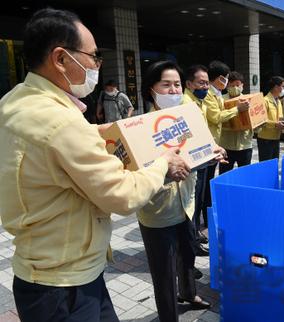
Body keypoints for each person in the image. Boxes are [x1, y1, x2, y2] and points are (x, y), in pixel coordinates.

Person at [0, 9, 190, 321]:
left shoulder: (16, 101)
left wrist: (93, 131)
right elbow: (121, 196)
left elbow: (46, 144)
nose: (96, 65)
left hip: (43, 269)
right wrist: (162, 163)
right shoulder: (61, 122)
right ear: (61, 59)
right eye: (93, 55)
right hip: (64, 285)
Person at [139, 61, 212, 321]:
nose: (173, 91)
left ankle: (189, 293)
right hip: (158, 211)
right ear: (151, 90)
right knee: (164, 272)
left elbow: (200, 150)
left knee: (188, 255)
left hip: (186, 203)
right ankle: (169, 316)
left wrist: (214, 152)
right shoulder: (138, 127)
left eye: (177, 85)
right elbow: (136, 175)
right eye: (166, 85)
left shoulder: (187, 118)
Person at [200, 61, 249, 237]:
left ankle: (209, 218)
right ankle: (206, 223)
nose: (228, 82)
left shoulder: (218, 94)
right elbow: (216, 117)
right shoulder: (208, 95)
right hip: (208, 147)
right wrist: (237, 109)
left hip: (215, 146)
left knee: (208, 183)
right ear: (217, 78)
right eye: (226, 78)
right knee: (205, 185)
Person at [184, 64, 212, 255]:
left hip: (201, 158)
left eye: (207, 83)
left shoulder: (198, 101)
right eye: (201, 83)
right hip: (192, 161)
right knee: (192, 202)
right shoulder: (186, 103)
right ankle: (191, 244)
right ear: (189, 83)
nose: (205, 87)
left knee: (199, 199)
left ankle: (194, 235)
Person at [219, 71, 254, 173]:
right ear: (227, 85)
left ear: (242, 85)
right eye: (232, 85)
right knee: (224, 174)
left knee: (245, 175)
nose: (235, 87)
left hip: (245, 145)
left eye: (237, 85)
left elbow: (257, 122)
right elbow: (217, 119)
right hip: (226, 146)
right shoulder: (221, 100)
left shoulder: (249, 100)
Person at [257, 76, 284, 161]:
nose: (283, 89)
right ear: (275, 87)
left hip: (276, 137)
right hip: (265, 139)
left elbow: (280, 118)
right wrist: (275, 124)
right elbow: (260, 120)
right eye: (282, 86)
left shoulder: (278, 101)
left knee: (274, 163)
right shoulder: (264, 100)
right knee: (266, 165)